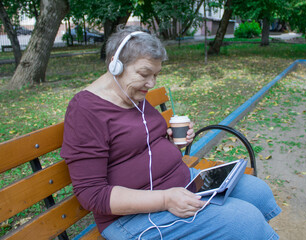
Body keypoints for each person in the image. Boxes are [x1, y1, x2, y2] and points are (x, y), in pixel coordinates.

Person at [60, 25, 281, 240]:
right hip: (130, 219)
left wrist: (174, 144)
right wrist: (165, 199)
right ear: (115, 65)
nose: (151, 83)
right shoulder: (86, 111)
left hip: (182, 182)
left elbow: (144, 144)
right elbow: (92, 195)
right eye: (145, 73)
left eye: (156, 74)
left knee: (256, 192)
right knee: (244, 220)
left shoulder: (131, 93)